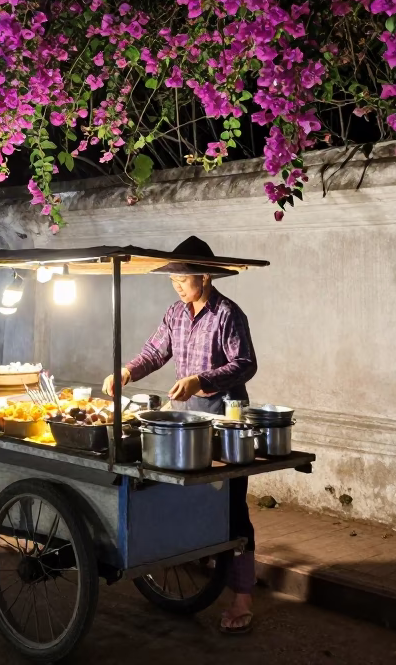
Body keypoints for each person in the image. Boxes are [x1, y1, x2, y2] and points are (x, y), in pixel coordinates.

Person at [103, 236, 258, 635]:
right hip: (184, 421)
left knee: (232, 506)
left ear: (204, 277)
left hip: (224, 420)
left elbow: (245, 364)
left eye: (182, 280)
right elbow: (156, 352)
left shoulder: (227, 314)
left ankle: (242, 595)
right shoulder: (175, 313)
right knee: (182, 498)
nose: (176, 286)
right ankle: (202, 564)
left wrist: (200, 380)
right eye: (173, 281)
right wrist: (127, 371)